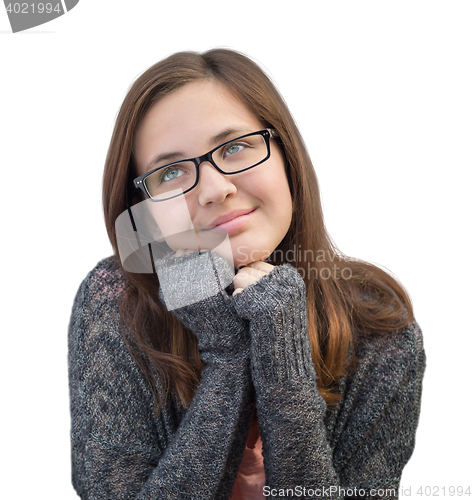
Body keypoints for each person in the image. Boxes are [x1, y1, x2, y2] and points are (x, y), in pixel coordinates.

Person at [68, 49, 426, 500]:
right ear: (144, 210)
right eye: (171, 172)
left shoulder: (380, 328)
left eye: (236, 147)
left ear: (286, 156)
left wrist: (283, 359)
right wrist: (227, 353)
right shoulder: (114, 303)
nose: (216, 189)